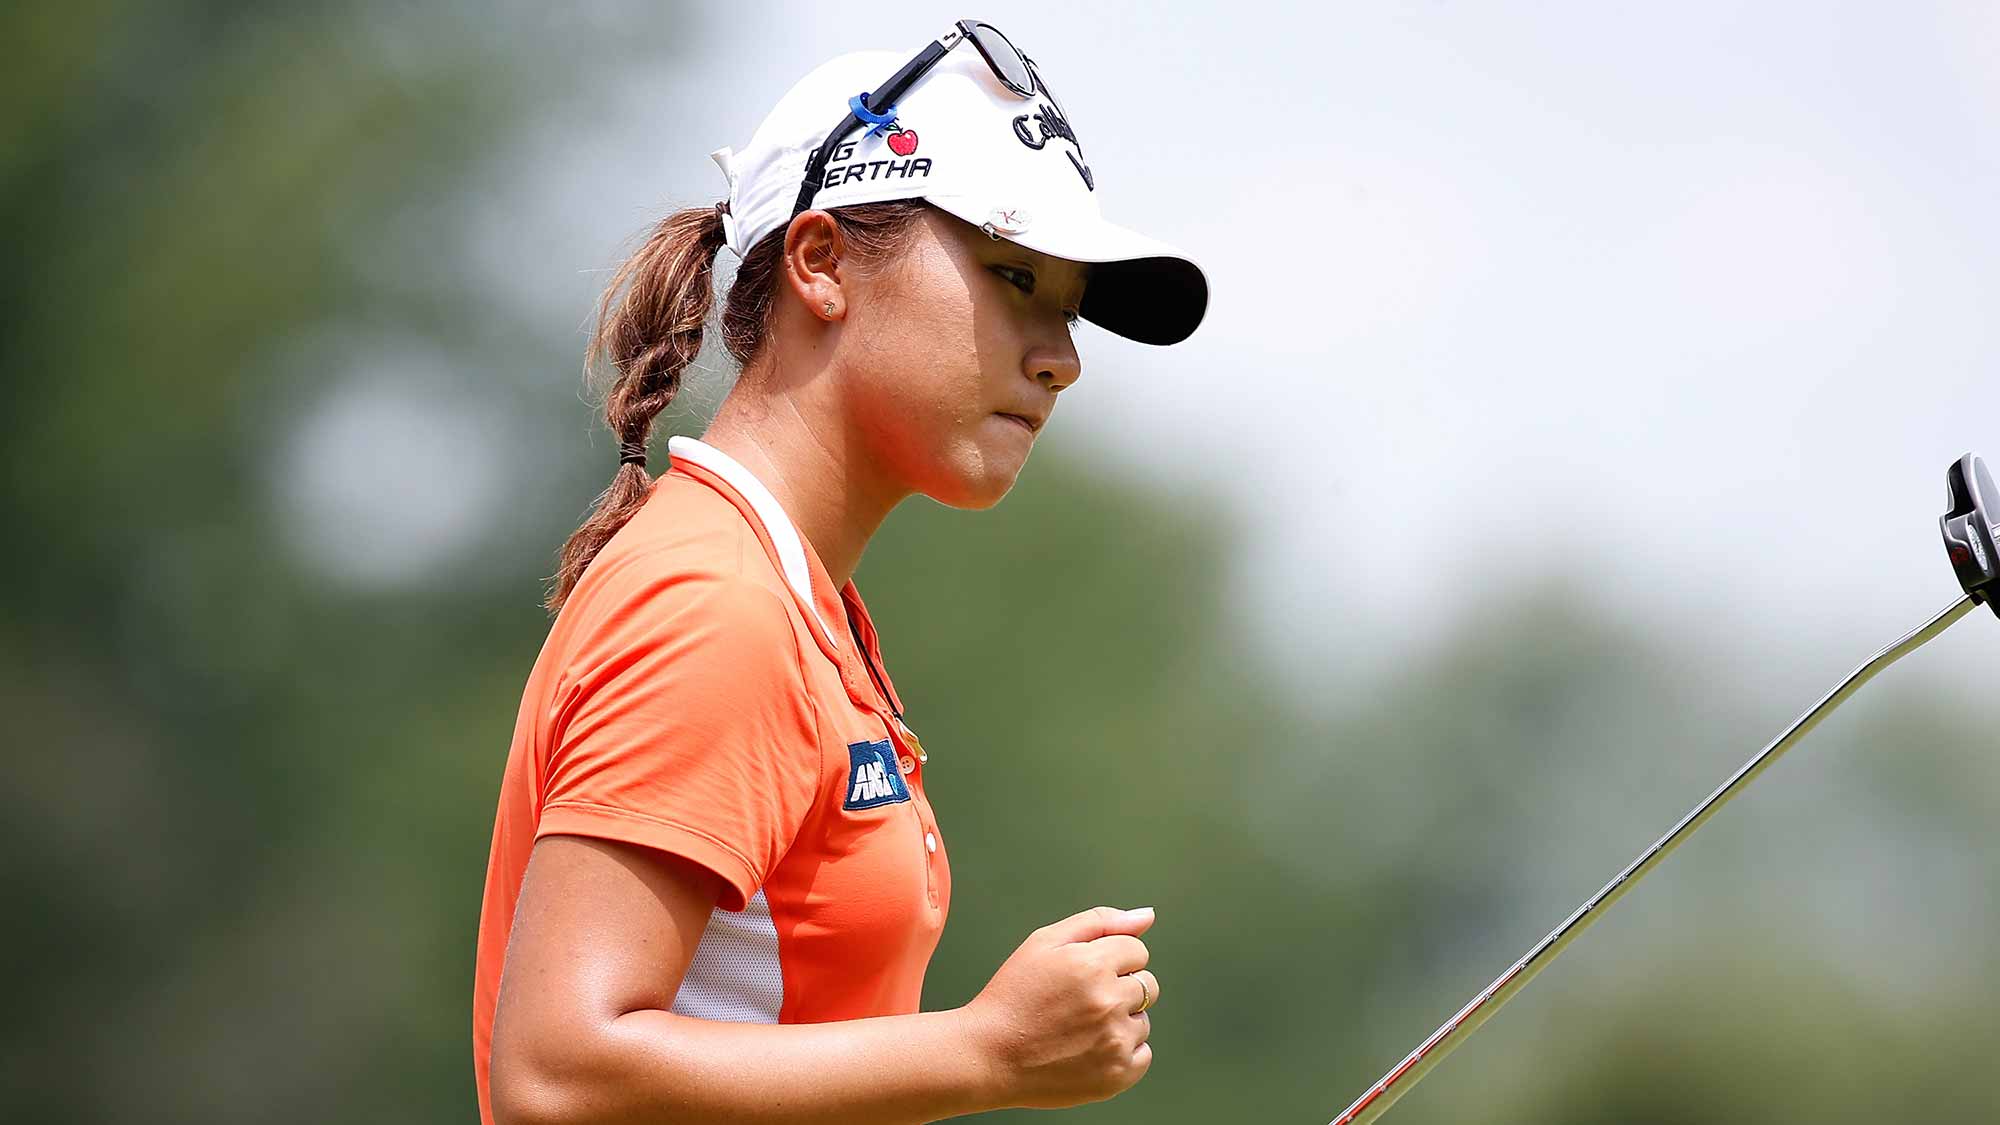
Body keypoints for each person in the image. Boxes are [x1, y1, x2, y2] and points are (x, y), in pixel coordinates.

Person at [472, 21, 1207, 1124]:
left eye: (1066, 303)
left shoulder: (791, 601)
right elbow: (559, 1073)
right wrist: (987, 1052)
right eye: (1015, 276)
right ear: (819, 264)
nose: (1061, 354)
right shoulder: (715, 603)